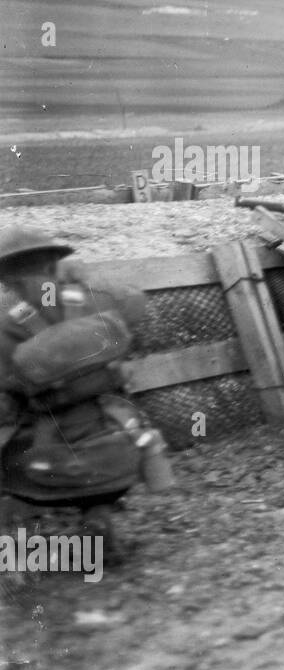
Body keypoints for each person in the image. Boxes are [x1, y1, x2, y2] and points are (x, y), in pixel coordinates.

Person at [0, 227, 172, 558]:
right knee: (118, 427)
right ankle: (98, 519)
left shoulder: (3, 323)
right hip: (116, 450)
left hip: (43, 462)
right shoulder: (95, 297)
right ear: (54, 263)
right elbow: (136, 302)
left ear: (5, 274)